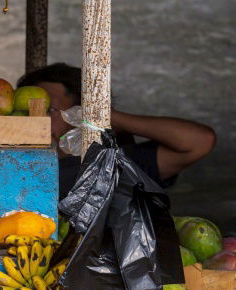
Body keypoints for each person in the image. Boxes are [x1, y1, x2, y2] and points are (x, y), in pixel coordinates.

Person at [17, 63, 216, 199]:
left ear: (78, 112)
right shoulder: (11, 161)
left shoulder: (114, 164)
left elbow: (200, 141)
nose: (37, 119)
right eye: (29, 110)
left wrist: (103, 115)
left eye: (49, 110)